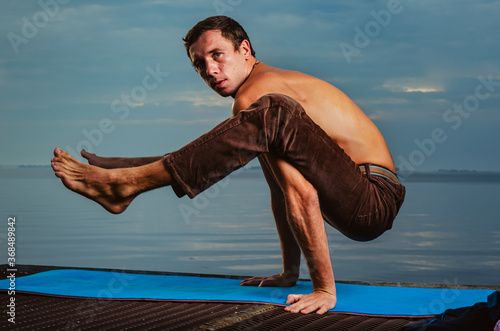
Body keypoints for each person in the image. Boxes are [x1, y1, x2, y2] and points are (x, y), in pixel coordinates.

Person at [51, 16, 405, 315]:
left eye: (217, 55)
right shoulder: (265, 112)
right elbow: (281, 192)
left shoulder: (262, 99)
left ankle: (126, 185)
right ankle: (124, 180)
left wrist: (324, 289)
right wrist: (288, 273)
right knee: (265, 130)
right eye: (199, 64)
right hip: (360, 195)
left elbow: (302, 193)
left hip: (371, 198)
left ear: (245, 51)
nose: (210, 70)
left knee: (272, 113)